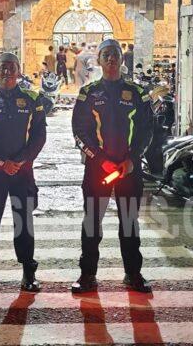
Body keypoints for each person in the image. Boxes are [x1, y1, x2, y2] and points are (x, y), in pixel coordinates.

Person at [71, 39, 155, 294]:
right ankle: (87, 275)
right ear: (98, 60)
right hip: (98, 170)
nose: (110, 59)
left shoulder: (137, 93)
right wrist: (100, 159)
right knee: (92, 223)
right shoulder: (88, 93)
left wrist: (133, 159)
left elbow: (147, 130)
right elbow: (79, 132)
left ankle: (133, 273)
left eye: (115, 54)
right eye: (106, 55)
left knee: (129, 222)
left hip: (128, 170)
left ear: (121, 59)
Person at [0, 52, 48, 293]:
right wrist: (1, 161)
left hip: (23, 172)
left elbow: (39, 136)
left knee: (24, 222)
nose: (7, 72)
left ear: (19, 70)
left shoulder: (33, 98)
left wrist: (21, 160)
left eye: (11, 67)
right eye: (2, 68)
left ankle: (28, 271)